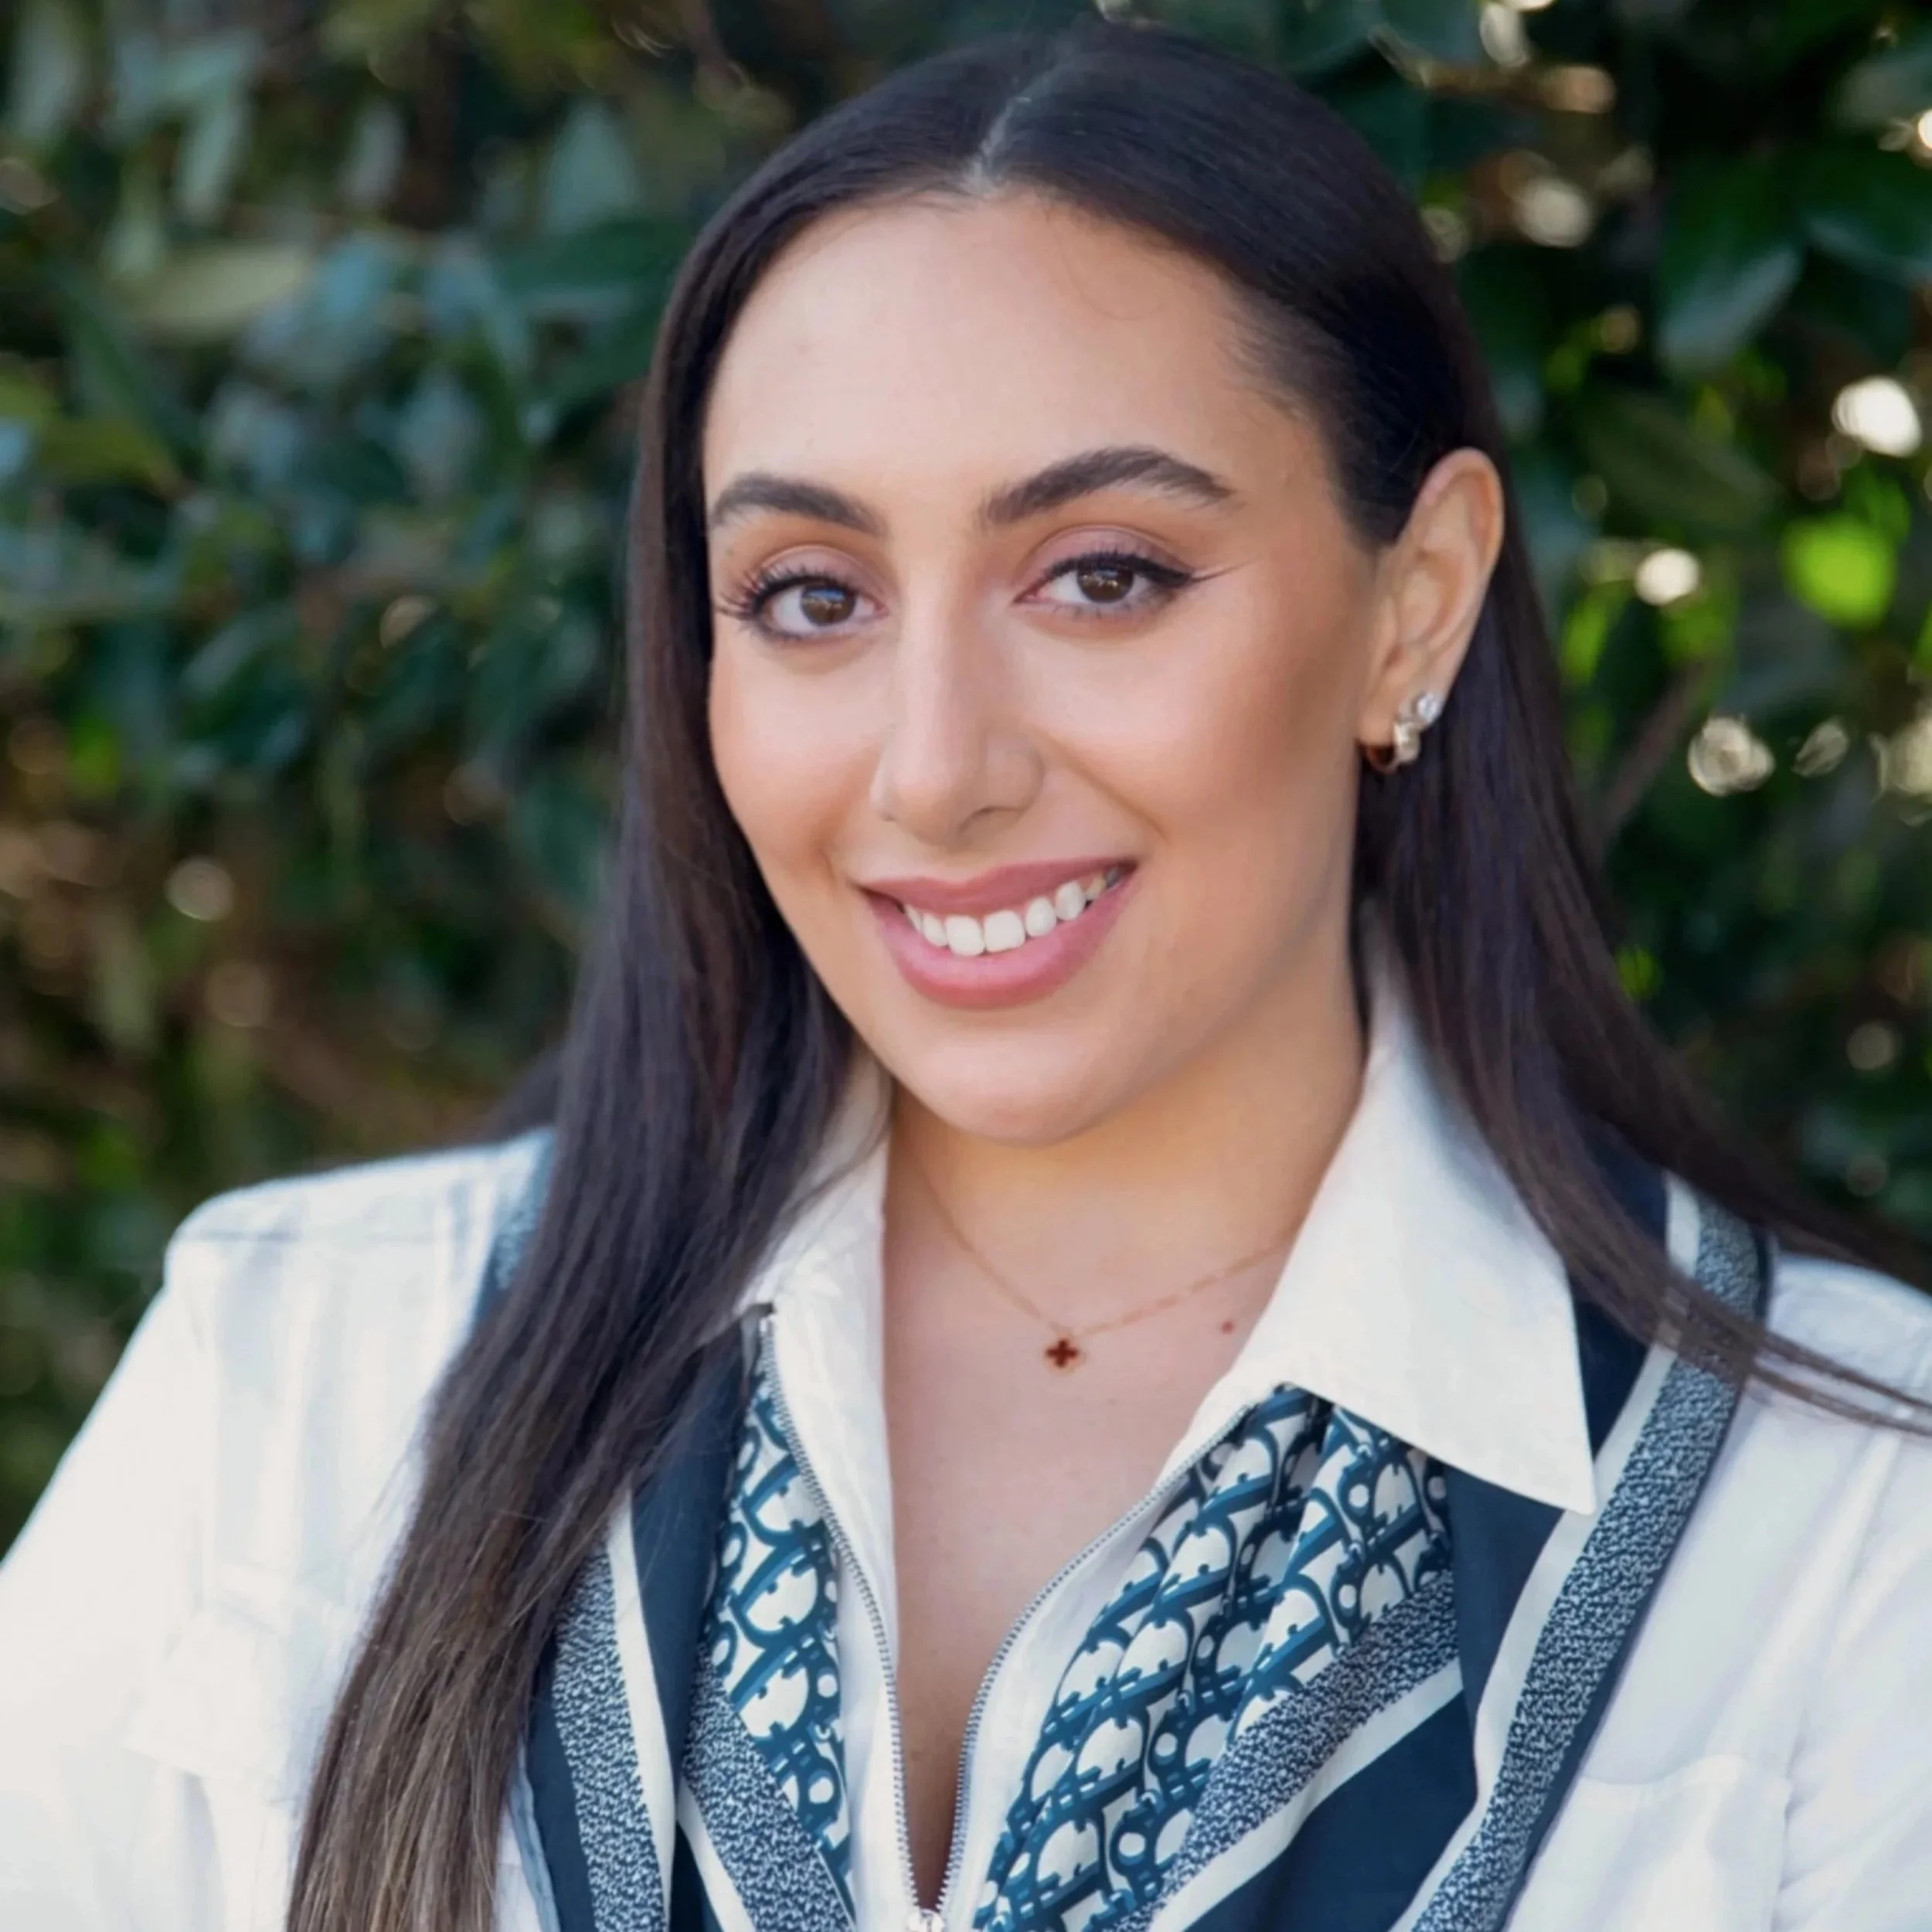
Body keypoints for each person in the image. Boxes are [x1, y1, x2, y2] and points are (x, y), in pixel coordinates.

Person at [5, 18, 1931, 1932]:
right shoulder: (301, 1378)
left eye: (1100, 574)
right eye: (812, 597)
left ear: (1408, 605)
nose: (933, 769)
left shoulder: (1844, 1528)